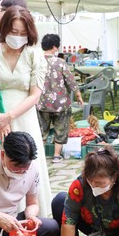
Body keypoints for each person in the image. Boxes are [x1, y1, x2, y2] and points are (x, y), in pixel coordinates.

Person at [0, 5, 52, 216]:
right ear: (3, 29)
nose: (17, 37)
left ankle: (36, 220)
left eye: (22, 33)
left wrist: (9, 116)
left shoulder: (34, 55)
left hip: (24, 118)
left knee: (29, 164)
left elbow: (35, 94)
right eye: (13, 32)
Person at [38, 33, 83, 164]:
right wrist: (78, 95)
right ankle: (57, 156)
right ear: (54, 47)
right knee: (60, 129)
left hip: (41, 102)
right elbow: (70, 80)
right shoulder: (60, 62)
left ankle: (40, 156)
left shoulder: (37, 61)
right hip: (60, 103)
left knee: (42, 130)